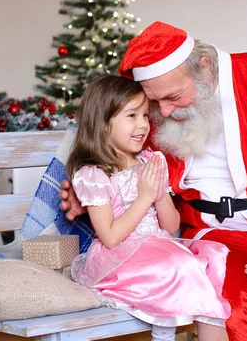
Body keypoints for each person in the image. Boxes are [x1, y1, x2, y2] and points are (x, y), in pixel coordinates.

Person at [60, 21, 247, 341]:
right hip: (216, 233)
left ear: (204, 69)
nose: (162, 112)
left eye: (173, 96)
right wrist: (86, 196)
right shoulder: (152, 110)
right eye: (154, 103)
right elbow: (117, 159)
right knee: (232, 303)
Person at [66, 74, 230, 341]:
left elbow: (171, 226)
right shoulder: (93, 175)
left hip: (157, 246)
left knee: (205, 261)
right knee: (179, 266)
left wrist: (158, 195)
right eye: (132, 116)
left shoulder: (150, 160)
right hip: (120, 257)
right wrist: (143, 197)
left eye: (145, 115)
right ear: (103, 123)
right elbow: (110, 236)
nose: (143, 124)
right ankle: (164, 335)